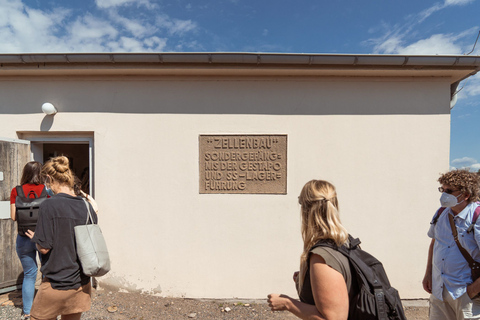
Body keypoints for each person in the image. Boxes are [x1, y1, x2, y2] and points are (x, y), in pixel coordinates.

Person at [268, 180, 353, 320]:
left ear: (306, 210)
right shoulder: (345, 244)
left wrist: (287, 303)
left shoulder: (322, 256)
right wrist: (310, 279)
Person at [25, 156, 97, 320]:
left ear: (49, 178)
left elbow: (44, 247)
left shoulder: (49, 205)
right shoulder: (87, 206)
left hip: (56, 284)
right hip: (81, 283)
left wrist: (36, 238)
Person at [423, 169, 480, 320]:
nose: (444, 194)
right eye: (442, 189)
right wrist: (428, 274)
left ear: (466, 194)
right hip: (439, 290)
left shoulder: (477, 216)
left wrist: (471, 291)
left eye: (449, 190)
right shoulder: (441, 213)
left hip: (465, 293)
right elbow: (434, 243)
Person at [9, 161, 48, 320]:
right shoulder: (47, 191)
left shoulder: (16, 191)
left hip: (24, 237)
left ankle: (27, 312)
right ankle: (46, 309)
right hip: (43, 238)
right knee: (47, 273)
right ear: (41, 173)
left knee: (30, 274)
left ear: (25, 173)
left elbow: (13, 217)